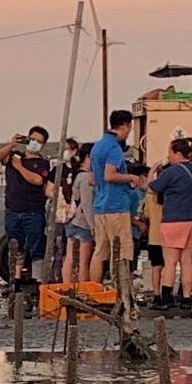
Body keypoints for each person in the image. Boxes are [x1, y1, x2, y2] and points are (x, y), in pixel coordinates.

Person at [148, 139, 192, 311]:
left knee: (170, 261)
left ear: (178, 154)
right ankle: (186, 297)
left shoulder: (172, 172)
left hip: (174, 220)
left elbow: (152, 188)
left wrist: (152, 171)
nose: (168, 156)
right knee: (187, 261)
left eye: (170, 152)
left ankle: (166, 298)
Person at [89, 110, 144, 284]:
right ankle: (119, 291)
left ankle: (95, 289)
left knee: (100, 252)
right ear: (124, 126)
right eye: (130, 128)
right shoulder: (114, 148)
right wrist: (131, 178)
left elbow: (92, 179)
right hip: (116, 206)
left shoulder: (97, 146)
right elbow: (109, 175)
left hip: (100, 206)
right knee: (121, 252)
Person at [0, 126, 52, 277]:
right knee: (16, 246)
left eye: (39, 142)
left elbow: (37, 180)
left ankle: (37, 281)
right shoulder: (14, 156)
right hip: (12, 210)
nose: (34, 143)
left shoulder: (43, 163)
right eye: (32, 139)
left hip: (33, 212)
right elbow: (0, 157)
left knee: (36, 247)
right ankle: (16, 279)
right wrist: (11, 144)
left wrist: (20, 167)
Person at [61, 142, 95, 284]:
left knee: (69, 258)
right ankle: (82, 290)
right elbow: (87, 204)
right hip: (83, 222)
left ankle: (66, 286)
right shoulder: (85, 177)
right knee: (83, 261)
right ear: (89, 156)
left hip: (71, 220)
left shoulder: (74, 174)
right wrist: (93, 226)